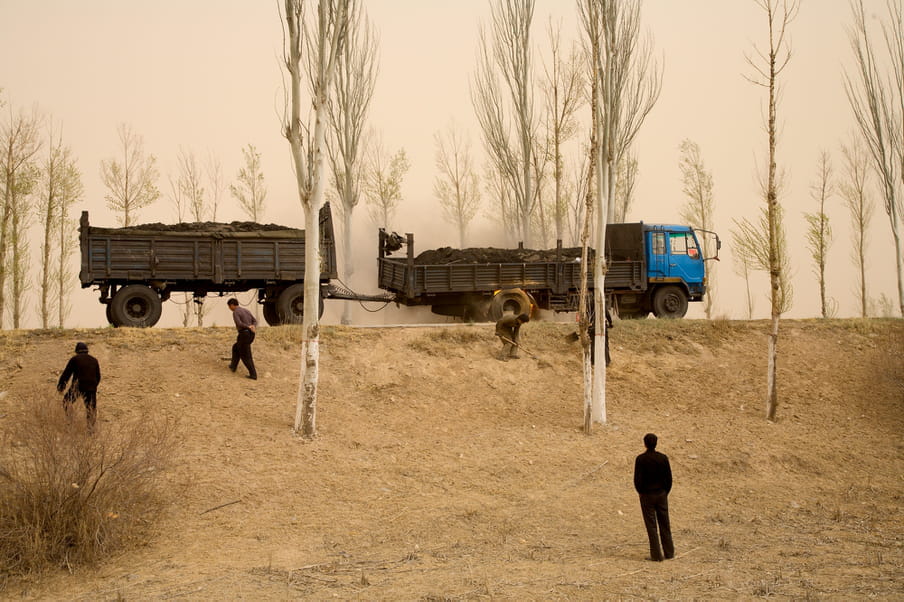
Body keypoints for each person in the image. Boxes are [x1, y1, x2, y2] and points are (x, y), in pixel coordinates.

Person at [633, 433, 674, 561]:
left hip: (647, 495)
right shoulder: (663, 458)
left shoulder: (640, 459)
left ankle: (656, 555)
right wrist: (665, 492)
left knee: (651, 526)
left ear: (645, 444)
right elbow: (669, 478)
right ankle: (669, 552)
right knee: (664, 523)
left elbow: (637, 479)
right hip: (661, 493)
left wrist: (641, 492)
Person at [57, 341, 101, 429]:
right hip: (91, 388)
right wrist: (93, 386)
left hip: (78, 386)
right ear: (87, 350)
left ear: (77, 351)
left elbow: (66, 374)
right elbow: (98, 376)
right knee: (91, 409)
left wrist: (61, 387)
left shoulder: (75, 359)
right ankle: (91, 430)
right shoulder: (94, 360)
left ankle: (70, 421)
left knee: (66, 401)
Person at [227, 298, 258, 380]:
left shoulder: (236, 312)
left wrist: (248, 327)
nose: (229, 308)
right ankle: (233, 366)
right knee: (236, 347)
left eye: (229, 306)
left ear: (232, 305)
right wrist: (253, 326)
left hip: (244, 334)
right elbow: (255, 321)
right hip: (251, 334)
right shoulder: (246, 310)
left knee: (245, 355)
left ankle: (253, 374)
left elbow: (239, 323)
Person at [587, 302, 613, 366]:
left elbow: (587, 315)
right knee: (605, 344)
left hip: (592, 327)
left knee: (593, 344)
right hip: (602, 327)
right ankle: (606, 361)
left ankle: (593, 361)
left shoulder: (590, 304)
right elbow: (607, 314)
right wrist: (610, 323)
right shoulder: (601, 302)